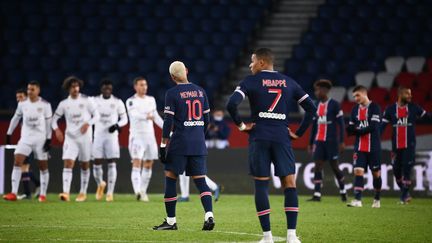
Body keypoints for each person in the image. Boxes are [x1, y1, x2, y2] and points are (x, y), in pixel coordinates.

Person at [226, 48, 316, 243]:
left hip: (259, 136)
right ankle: (291, 235)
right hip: (282, 136)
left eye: (252, 61)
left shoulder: (250, 82)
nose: (250, 65)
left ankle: (267, 237)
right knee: (289, 184)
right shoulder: (289, 82)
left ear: (261, 63)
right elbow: (311, 108)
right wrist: (298, 133)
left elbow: (231, 105)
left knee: (261, 185)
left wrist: (242, 126)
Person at [153, 61, 215, 231]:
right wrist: (198, 135)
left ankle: (171, 222)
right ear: (186, 71)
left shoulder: (172, 93)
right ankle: (209, 215)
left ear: (172, 77)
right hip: (198, 143)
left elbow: (168, 121)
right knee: (201, 181)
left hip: (180, 143)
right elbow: (207, 120)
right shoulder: (201, 91)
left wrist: (163, 144)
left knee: (171, 177)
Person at [52, 76, 99, 202]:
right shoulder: (64, 104)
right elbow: (54, 120)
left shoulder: (87, 100)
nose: (75, 89)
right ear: (68, 88)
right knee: (68, 163)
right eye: (73, 86)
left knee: (84, 164)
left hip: (85, 137)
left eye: (77, 86)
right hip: (70, 138)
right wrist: (57, 130)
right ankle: (65, 193)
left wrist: (88, 123)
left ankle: (82, 192)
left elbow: (97, 116)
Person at [3, 81, 52, 202]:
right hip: (25, 138)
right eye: (29, 89)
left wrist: (48, 139)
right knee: (17, 161)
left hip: (40, 139)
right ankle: (13, 193)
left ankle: (43, 195)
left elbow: (48, 123)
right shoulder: (22, 104)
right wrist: (9, 133)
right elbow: (15, 118)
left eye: (32, 89)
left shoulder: (45, 105)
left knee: (43, 166)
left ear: (38, 90)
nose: (30, 92)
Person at [381, 86, 430, 204]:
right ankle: (405, 193)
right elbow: (381, 127)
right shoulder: (390, 109)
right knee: (397, 171)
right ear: (400, 94)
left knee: (407, 170)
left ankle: (403, 197)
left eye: (410, 94)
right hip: (396, 146)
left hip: (410, 145)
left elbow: (428, 117)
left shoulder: (414, 108)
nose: (410, 96)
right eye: (407, 94)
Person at [307, 79, 347, 202]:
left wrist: (341, 141)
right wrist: (310, 143)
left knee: (334, 166)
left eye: (318, 89)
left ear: (324, 90)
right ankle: (317, 194)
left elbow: (341, 124)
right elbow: (314, 126)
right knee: (318, 166)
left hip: (331, 141)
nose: (316, 92)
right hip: (319, 141)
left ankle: (343, 192)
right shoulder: (315, 105)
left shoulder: (334, 104)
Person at [126, 77, 163, 202]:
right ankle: (137, 191)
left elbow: (156, 116)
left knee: (149, 163)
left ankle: (143, 191)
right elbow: (134, 114)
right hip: (137, 136)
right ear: (135, 86)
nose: (144, 87)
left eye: (145, 85)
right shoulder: (131, 101)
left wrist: (166, 128)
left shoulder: (151, 100)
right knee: (137, 162)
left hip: (149, 137)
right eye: (141, 85)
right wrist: (146, 116)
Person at [346, 85, 382, 208]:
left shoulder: (375, 107)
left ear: (364, 93)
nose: (355, 98)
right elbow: (350, 129)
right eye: (354, 96)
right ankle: (357, 200)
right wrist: (354, 130)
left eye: (357, 95)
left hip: (374, 147)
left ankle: (377, 198)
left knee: (376, 174)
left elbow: (373, 127)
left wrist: (356, 130)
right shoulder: (354, 110)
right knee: (358, 171)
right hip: (359, 147)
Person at [92, 79, 128, 202]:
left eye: (109, 88)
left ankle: (110, 192)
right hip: (98, 135)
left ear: (111, 89)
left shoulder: (117, 102)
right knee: (96, 162)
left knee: (111, 161)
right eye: (105, 88)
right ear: (101, 89)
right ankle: (100, 183)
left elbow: (124, 119)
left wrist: (117, 125)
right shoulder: (94, 101)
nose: (107, 90)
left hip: (111, 137)